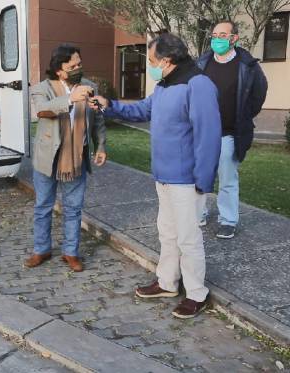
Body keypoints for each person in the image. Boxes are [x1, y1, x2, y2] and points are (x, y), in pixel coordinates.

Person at [90, 33, 222, 318]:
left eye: (151, 60)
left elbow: (209, 137)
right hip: (163, 175)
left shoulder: (197, 85)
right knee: (167, 232)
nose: (150, 65)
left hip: (187, 179)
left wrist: (203, 181)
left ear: (167, 59)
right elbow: (141, 110)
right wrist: (108, 104)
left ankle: (197, 293)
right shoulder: (164, 85)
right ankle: (167, 282)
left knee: (188, 238)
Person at [24, 44, 107, 273]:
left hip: (76, 158)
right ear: (60, 70)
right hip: (47, 158)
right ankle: (42, 249)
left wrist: (101, 146)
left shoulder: (90, 87)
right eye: (73, 65)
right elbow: (41, 111)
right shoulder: (43, 88)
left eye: (80, 63)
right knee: (43, 206)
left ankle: (71, 252)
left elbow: (98, 119)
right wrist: (71, 99)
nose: (78, 67)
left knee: (74, 208)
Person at [197, 20, 268, 239]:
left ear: (234, 38)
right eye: (215, 35)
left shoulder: (248, 66)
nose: (217, 39)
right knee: (198, 176)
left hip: (229, 132)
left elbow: (258, 94)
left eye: (223, 35)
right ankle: (198, 213)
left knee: (227, 177)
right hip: (203, 133)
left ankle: (228, 220)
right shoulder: (201, 63)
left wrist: (244, 117)